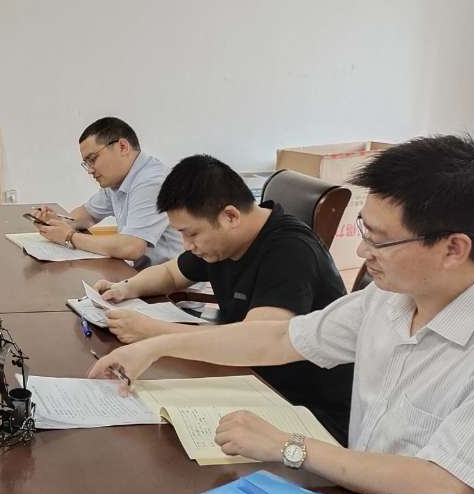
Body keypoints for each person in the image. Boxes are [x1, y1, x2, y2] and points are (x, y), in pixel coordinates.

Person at [90, 135, 474, 494]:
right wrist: (158, 346)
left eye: (379, 240)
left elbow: (442, 488)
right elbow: (277, 338)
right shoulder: (388, 300)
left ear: (453, 248)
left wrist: (287, 445)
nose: (363, 252)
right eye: (364, 230)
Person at [91, 154, 354, 442]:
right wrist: (126, 288)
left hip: (304, 409)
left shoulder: (291, 252)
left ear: (230, 216)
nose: (187, 245)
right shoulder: (224, 241)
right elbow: (171, 273)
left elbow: (257, 340)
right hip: (248, 379)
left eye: (191, 234)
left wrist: (152, 334)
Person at [30, 117, 182, 266]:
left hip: (174, 281)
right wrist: (58, 222)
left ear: (123, 147)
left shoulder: (152, 182)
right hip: (142, 274)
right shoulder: (118, 179)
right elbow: (88, 214)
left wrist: (69, 237)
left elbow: (132, 247)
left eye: (92, 159)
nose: (90, 170)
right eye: (86, 163)